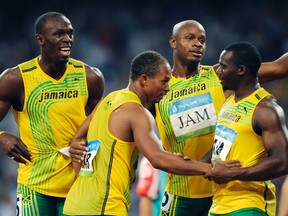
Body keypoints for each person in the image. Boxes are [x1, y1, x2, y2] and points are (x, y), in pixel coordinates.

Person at [63, 50, 241, 216]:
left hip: (75, 203)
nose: (168, 88)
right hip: (104, 206)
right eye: (164, 81)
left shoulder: (108, 100)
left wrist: (81, 168)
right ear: (144, 80)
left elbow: (77, 140)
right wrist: (210, 168)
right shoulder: (137, 113)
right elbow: (158, 159)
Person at [155, 20, 288, 216]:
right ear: (173, 42)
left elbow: (279, 68)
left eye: (202, 40)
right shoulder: (160, 88)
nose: (198, 44)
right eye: (190, 38)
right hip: (181, 192)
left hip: (224, 191)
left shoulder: (220, 75)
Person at [0, 11, 104, 216]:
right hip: (34, 186)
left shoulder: (90, 76)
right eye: (59, 34)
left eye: (70, 34)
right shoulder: (16, 78)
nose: (67, 39)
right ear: (40, 40)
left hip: (79, 183)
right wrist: (2, 137)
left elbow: (102, 126)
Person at [204, 41, 288, 216]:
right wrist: (192, 165)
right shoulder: (228, 102)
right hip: (219, 204)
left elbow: (283, 161)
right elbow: (220, 149)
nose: (218, 71)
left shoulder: (265, 109)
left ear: (241, 70)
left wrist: (234, 174)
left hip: (250, 205)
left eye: (223, 67)